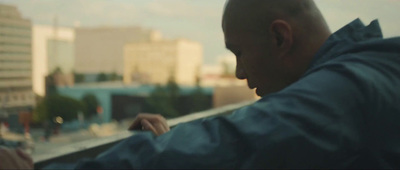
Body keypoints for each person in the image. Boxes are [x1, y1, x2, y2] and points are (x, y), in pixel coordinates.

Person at [2, 0, 400, 168]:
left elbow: (236, 142)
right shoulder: (370, 76)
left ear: (281, 38)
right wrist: (170, 143)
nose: (240, 74)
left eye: (239, 52)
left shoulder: (349, 90)